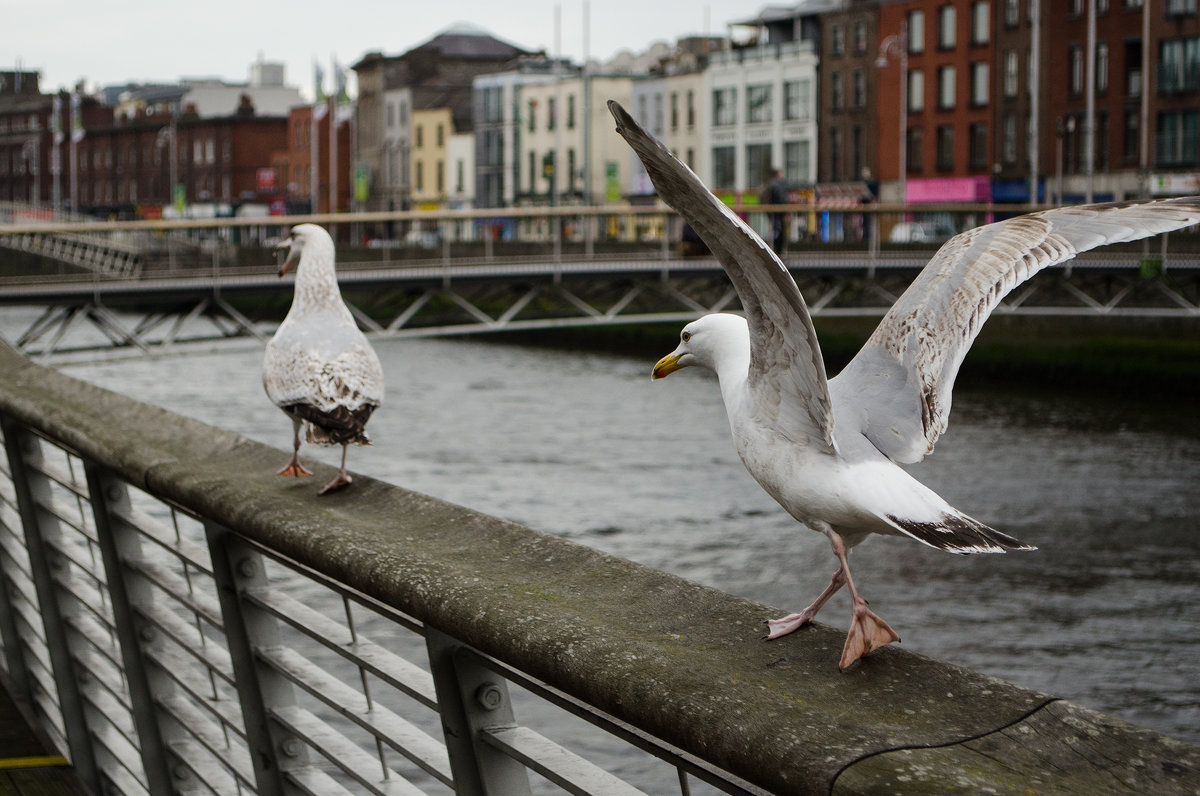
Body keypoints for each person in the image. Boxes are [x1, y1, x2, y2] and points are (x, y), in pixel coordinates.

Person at [762, 168, 788, 255]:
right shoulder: (777, 185)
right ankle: (778, 251)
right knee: (779, 232)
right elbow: (782, 199)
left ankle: (774, 250)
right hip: (778, 213)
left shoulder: (770, 184)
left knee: (775, 230)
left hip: (773, 212)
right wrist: (785, 211)